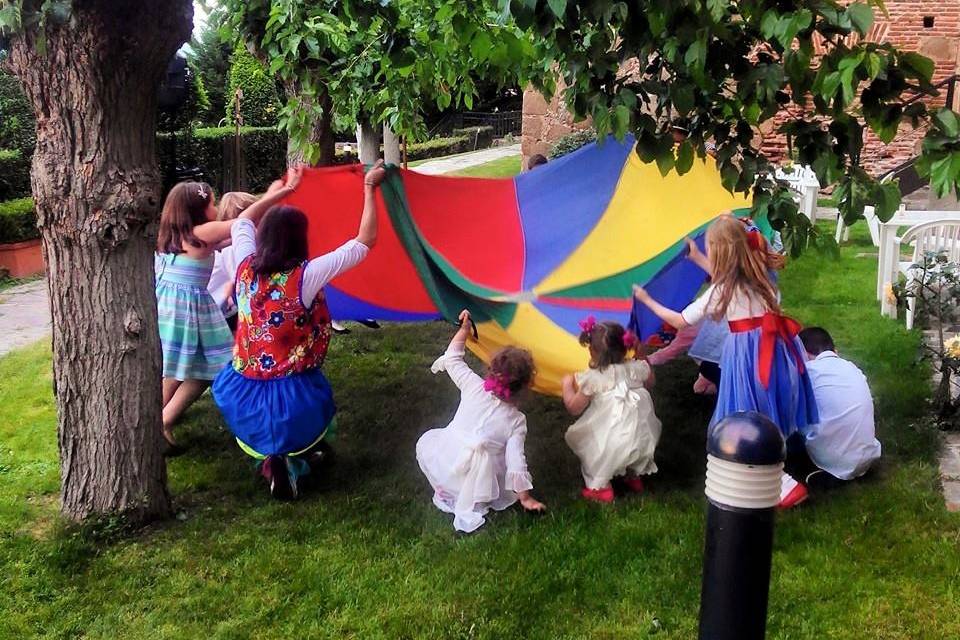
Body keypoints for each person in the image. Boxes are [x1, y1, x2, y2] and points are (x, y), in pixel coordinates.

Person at [212, 162, 387, 499]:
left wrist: (285, 191)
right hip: (293, 388)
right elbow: (365, 241)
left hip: (246, 385)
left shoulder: (245, 265)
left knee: (269, 433)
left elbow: (244, 220)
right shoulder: (305, 278)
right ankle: (292, 458)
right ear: (299, 241)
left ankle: (273, 461)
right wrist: (369, 188)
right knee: (306, 423)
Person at [632, 215, 818, 436]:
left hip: (747, 349)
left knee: (746, 394)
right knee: (770, 390)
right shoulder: (759, 273)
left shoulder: (723, 290)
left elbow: (679, 321)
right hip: (776, 342)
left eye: (709, 247)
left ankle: (747, 439)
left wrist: (646, 299)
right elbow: (728, 273)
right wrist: (697, 256)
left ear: (718, 252)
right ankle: (774, 434)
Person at [416, 310, 546, 532]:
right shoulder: (516, 421)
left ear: (491, 371)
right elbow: (516, 462)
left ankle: (447, 488)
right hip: (478, 483)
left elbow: (453, 358)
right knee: (496, 465)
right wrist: (525, 498)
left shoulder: (473, 386)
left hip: (448, 461)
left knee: (431, 445)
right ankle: (464, 494)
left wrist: (464, 330)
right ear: (525, 387)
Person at [155, 181, 238, 450]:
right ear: (198, 210)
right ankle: (151, 425)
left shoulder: (178, 235)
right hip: (183, 312)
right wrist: (276, 196)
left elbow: (229, 238)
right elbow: (241, 224)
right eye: (212, 204)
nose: (215, 208)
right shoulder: (200, 232)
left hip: (177, 308)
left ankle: (163, 419)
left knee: (207, 367)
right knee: (174, 371)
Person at [779, 327, 882, 509]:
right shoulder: (852, 367)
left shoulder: (806, 373)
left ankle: (812, 472)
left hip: (831, 459)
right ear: (835, 350)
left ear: (803, 354)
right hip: (867, 457)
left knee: (785, 428)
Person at [561, 318, 661, 503]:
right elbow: (651, 382)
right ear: (626, 347)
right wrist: (642, 355)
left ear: (591, 351)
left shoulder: (594, 379)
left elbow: (574, 408)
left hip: (611, 438)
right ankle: (632, 477)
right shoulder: (638, 368)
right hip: (642, 434)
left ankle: (601, 488)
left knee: (594, 448)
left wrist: (566, 385)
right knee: (631, 445)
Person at [207, 191, 258, 333]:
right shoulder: (231, 248)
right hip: (217, 312)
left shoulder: (230, 245)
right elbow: (243, 278)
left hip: (223, 306)